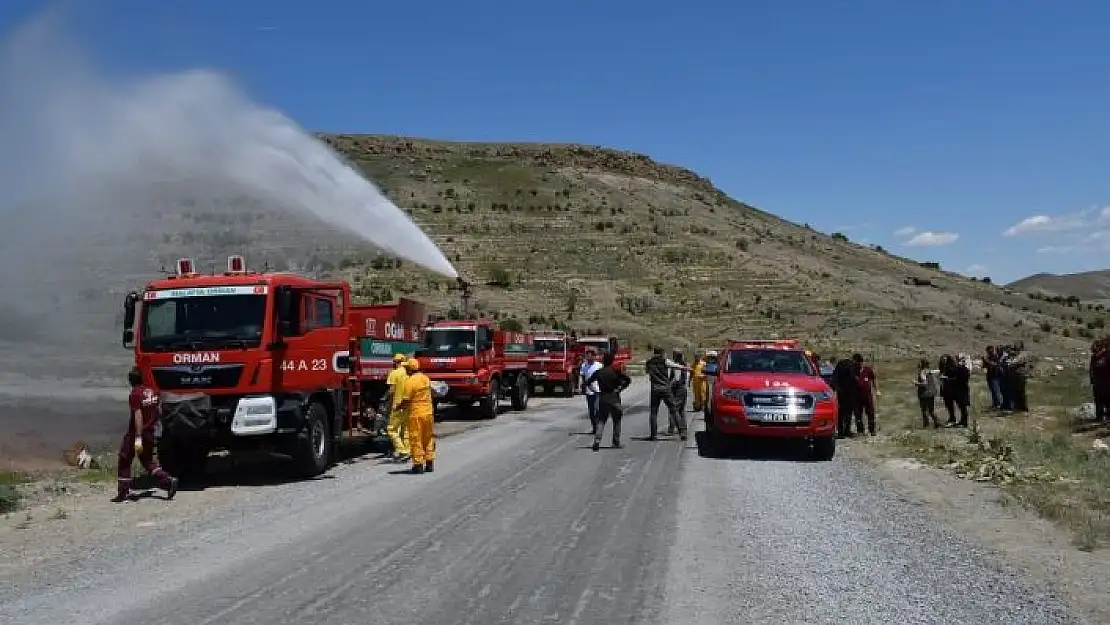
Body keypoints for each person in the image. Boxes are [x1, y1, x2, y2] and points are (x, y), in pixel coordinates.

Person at [114, 367, 178, 503]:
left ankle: (123, 491)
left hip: (136, 434)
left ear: (131, 380)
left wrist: (137, 437)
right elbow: (159, 411)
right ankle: (168, 481)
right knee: (147, 461)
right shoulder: (153, 392)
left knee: (125, 458)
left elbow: (138, 416)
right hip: (150, 432)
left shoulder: (135, 394)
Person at [587, 352, 632, 451]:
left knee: (601, 420)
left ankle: (597, 441)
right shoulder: (615, 371)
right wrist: (620, 389)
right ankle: (616, 442)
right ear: (612, 361)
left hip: (603, 398)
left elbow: (588, 382)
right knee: (617, 420)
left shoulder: (598, 372)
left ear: (603, 360)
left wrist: (595, 391)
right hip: (614, 397)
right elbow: (628, 380)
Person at [645, 347, 691, 441]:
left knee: (653, 412)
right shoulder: (664, 361)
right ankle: (682, 432)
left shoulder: (649, 362)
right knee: (674, 410)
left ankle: (653, 435)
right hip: (665, 388)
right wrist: (686, 368)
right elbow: (676, 366)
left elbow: (647, 371)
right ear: (662, 353)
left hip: (655, 389)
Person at [399, 358, 436, 474]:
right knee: (428, 438)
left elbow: (406, 400)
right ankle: (429, 463)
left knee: (416, 439)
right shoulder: (425, 378)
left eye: (406, 368)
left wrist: (398, 407)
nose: (405, 370)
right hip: (429, 412)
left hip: (416, 414)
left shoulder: (410, 382)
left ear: (410, 369)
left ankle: (418, 465)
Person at [385, 353, 410, 463]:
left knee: (391, 430)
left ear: (395, 362)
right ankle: (408, 450)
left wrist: (385, 400)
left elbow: (391, 390)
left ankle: (402, 450)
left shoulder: (394, 373)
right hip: (407, 405)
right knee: (405, 430)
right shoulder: (408, 373)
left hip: (397, 406)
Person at [831, 355, 859, 438]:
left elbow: (834, 378)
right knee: (849, 412)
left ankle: (840, 432)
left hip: (841, 392)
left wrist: (835, 388)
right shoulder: (853, 366)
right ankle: (847, 431)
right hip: (850, 392)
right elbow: (854, 378)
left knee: (841, 412)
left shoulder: (840, 364)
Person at [852, 353, 878, 436]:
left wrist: (876, 390)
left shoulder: (867, 370)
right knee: (858, 414)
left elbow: (873, 379)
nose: (856, 365)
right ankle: (860, 430)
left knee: (870, 412)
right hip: (856, 396)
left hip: (867, 395)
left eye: (857, 363)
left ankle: (872, 430)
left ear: (860, 362)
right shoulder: (853, 371)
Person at [579, 350, 602, 435]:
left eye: (590, 356)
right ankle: (594, 427)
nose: (588, 358)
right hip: (589, 391)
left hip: (598, 390)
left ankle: (599, 426)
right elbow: (582, 376)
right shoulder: (584, 366)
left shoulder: (599, 365)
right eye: (587, 356)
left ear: (594, 356)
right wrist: (580, 386)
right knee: (591, 411)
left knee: (597, 409)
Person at [668, 349, 689, 436]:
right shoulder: (684, 365)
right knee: (681, 410)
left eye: (674, 355)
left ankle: (673, 428)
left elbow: (676, 379)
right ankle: (683, 427)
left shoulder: (678, 366)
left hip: (678, 389)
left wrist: (670, 385)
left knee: (674, 409)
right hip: (683, 389)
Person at [914, 358, 940, 428]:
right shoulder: (929, 371)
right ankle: (936, 422)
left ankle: (926, 424)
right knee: (931, 410)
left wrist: (917, 383)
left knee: (924, 409)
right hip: (931, 392)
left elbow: (924, 383)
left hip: (924, 393)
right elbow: (937, 371)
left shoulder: (922, 372)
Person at [982, 346, 1003, 411]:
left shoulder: (996, 357)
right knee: (992, 391)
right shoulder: (988, 357)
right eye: (988, 351)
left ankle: (999, 404)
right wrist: (984, 361)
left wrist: (987, 361)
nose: (989, 352)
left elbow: (995, 364)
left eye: (990, 350)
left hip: (995, 376)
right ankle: (995, 404)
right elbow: (984, 366)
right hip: (989, 376)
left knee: (996, 391)